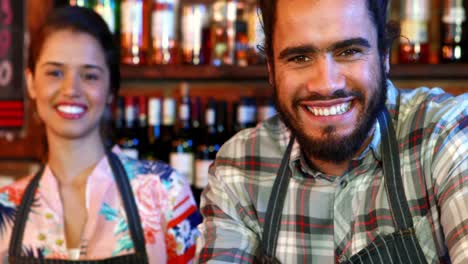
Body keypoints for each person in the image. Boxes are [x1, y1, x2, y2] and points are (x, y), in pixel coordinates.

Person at [195, 0, 467, 263]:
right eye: (299, 57)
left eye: (348, 52)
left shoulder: (445, 134)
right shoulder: (241, 167)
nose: (326, 84)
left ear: (384, 56)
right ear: (270, 67)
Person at [0, 6, 200, 263]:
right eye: (55, 72)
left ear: (110, 91)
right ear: (30, 82)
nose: (71, 89)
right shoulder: (5, 206)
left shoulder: (164, 191)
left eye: (90, 75)